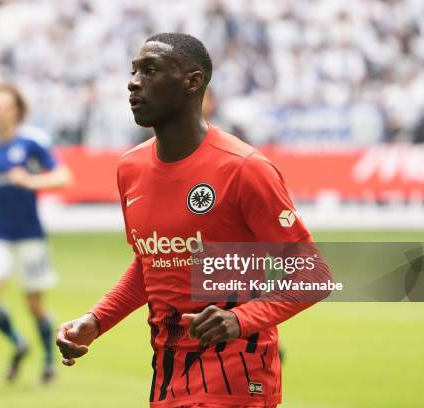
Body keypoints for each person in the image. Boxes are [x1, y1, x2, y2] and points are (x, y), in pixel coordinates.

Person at [56, 33, 330, 407]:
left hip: (238, 372)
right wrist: (97, 320)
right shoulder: (130, 169)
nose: (133, 82)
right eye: (134, 71)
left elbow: (314, 275)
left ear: (192, 81)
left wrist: (242, 319)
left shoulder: (244, 169)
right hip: (169, 373)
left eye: (149, 71)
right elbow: (150, 264)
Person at [0, 83, 71, 384]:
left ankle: (48, 359)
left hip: (30, 235)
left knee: (35, 306)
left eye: (3, 106)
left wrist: (30, 181)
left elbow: (64, 177)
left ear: (16, 110)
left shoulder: (32, 142)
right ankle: (18, 342)